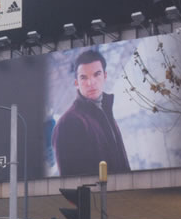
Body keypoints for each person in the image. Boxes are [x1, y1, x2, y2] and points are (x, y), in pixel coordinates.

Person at [51, 48, 130, 176]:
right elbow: (70, 178)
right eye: (83, 78)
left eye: (96, 74)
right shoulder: (68, 123)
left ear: (105, 76)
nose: (90, 83)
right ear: (76, 83)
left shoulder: (106, 112)